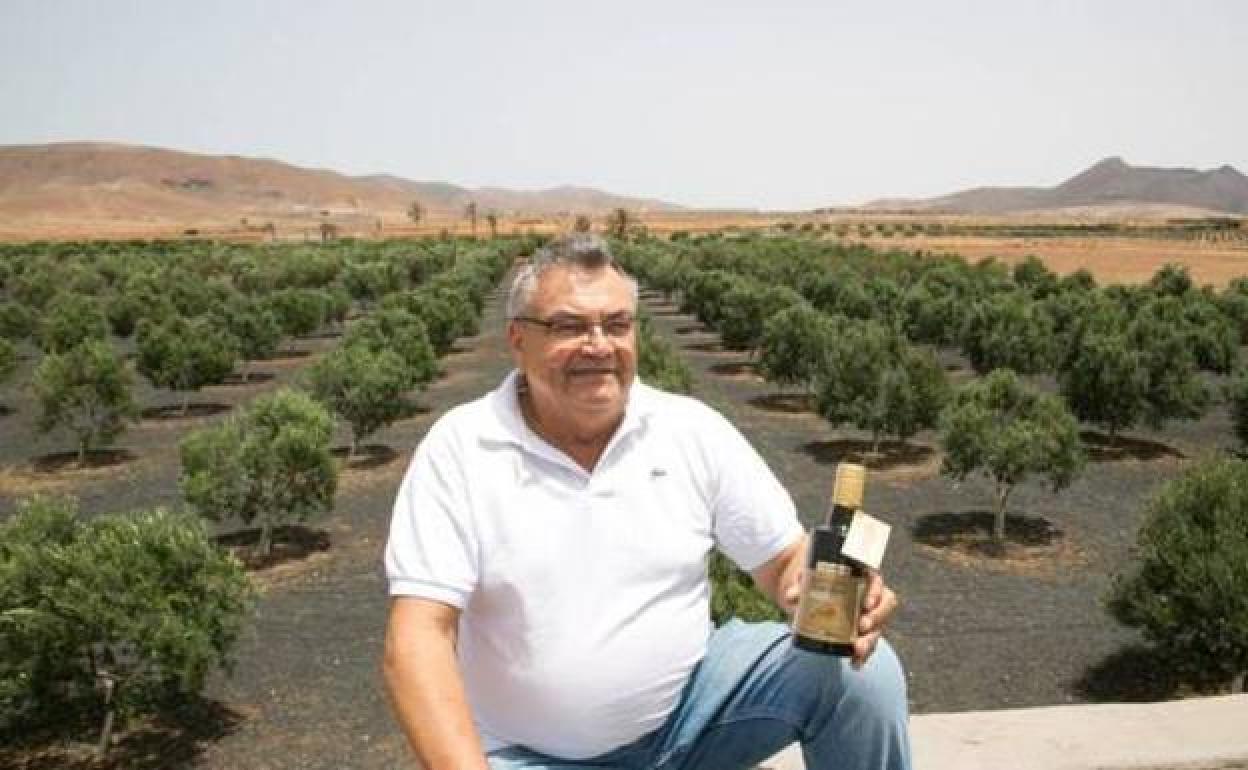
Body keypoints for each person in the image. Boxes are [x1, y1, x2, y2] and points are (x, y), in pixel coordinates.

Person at [383, 233, 911, 770]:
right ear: (517, 339)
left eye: (616, 324)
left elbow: (782, 560)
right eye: (569, 326)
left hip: (693, 721)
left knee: (861, 674)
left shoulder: (689, 430)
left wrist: (830, 594)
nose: (598, 344)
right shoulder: (462, 449)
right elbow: (419, 636)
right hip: (528, 756)